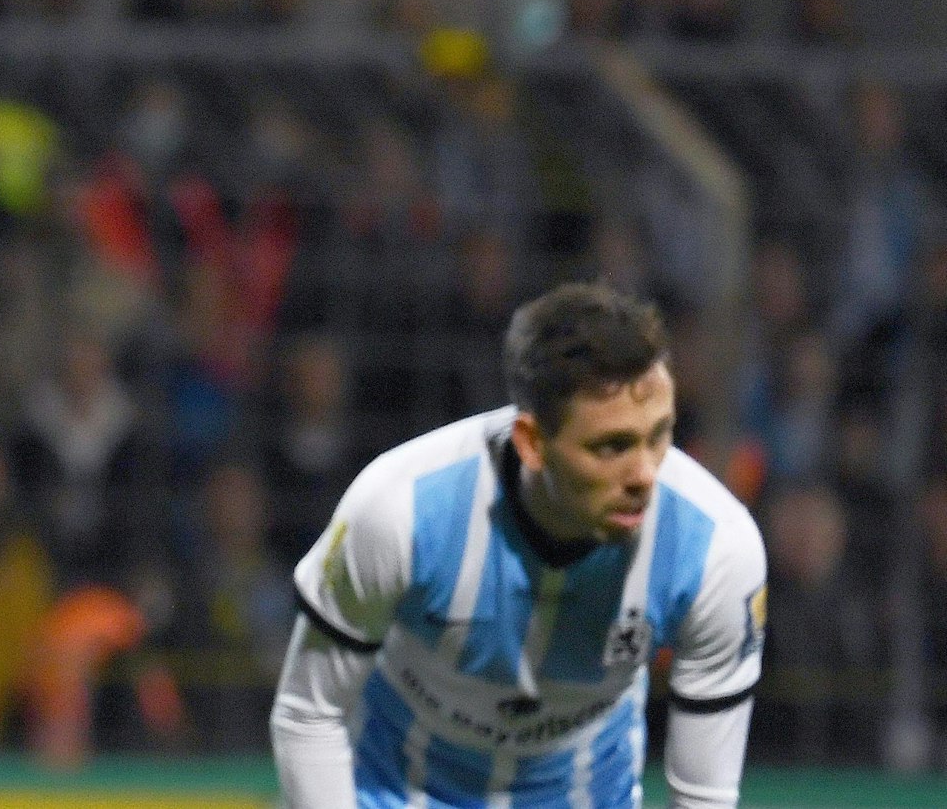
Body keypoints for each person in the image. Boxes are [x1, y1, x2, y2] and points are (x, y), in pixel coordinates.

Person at [271, 283, 766, 808]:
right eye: (611, 446)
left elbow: (706, 796)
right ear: (532, 443)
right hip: (390, 793)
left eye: (659, 434)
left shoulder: (717, 551)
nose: (645, 474)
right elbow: (310, 713)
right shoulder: (399, 511)